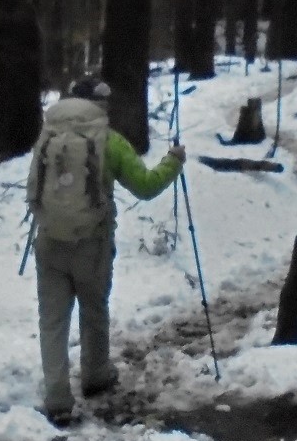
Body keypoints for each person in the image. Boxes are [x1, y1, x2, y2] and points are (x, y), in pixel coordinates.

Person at [26, 77, 185, 422]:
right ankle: (95, 375)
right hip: (92, 243)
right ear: (100, 106)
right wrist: (173, 162)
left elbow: (35, 189)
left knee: (52, 319)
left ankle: (57, 396)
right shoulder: (109, 142)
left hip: (49, 239)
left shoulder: (47, 137)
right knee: (93, 308)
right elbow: (145, 186)